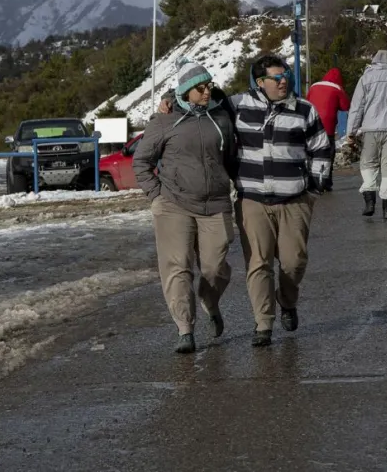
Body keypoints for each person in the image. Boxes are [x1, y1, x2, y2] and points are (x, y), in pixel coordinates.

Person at [133, 58, 237, 354]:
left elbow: (230, 159)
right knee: (177, 266)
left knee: (215, 267)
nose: (206, 92)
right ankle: (185, 329)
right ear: (186, 91)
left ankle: (209, 299)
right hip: (174, 205)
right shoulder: (164, 121)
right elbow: (141, 162)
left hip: (215, 203)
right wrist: (156, 196)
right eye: (200, 88)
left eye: (209, 86)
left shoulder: (222, 118)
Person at [233, 54, 331, 347]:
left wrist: (313, 190)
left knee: (293, 262)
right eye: (276, 78)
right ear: (260, 82)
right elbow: (202, 103)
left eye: (285, 74)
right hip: (252, 200)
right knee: (258, 264)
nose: (283, 80)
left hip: (294, 200)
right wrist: (169, 101)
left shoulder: (304, 109)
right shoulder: (237, 106)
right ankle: (263, 323)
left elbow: (322, 148)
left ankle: (287, 301)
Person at [345, 50, 387, 219]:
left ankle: (369, 203)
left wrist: (351, 131)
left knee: (368, 164)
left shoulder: (366, 78)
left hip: (371, 129)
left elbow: (357, 107)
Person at [306, 67, 351, 191]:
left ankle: (310, 180)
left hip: (311, 124)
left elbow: (307, 101)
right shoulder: (337, 88)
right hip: (327, 126)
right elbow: (345, 106)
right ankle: (325, 182)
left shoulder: (314, 86)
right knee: (327, 154)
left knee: (310, 152)